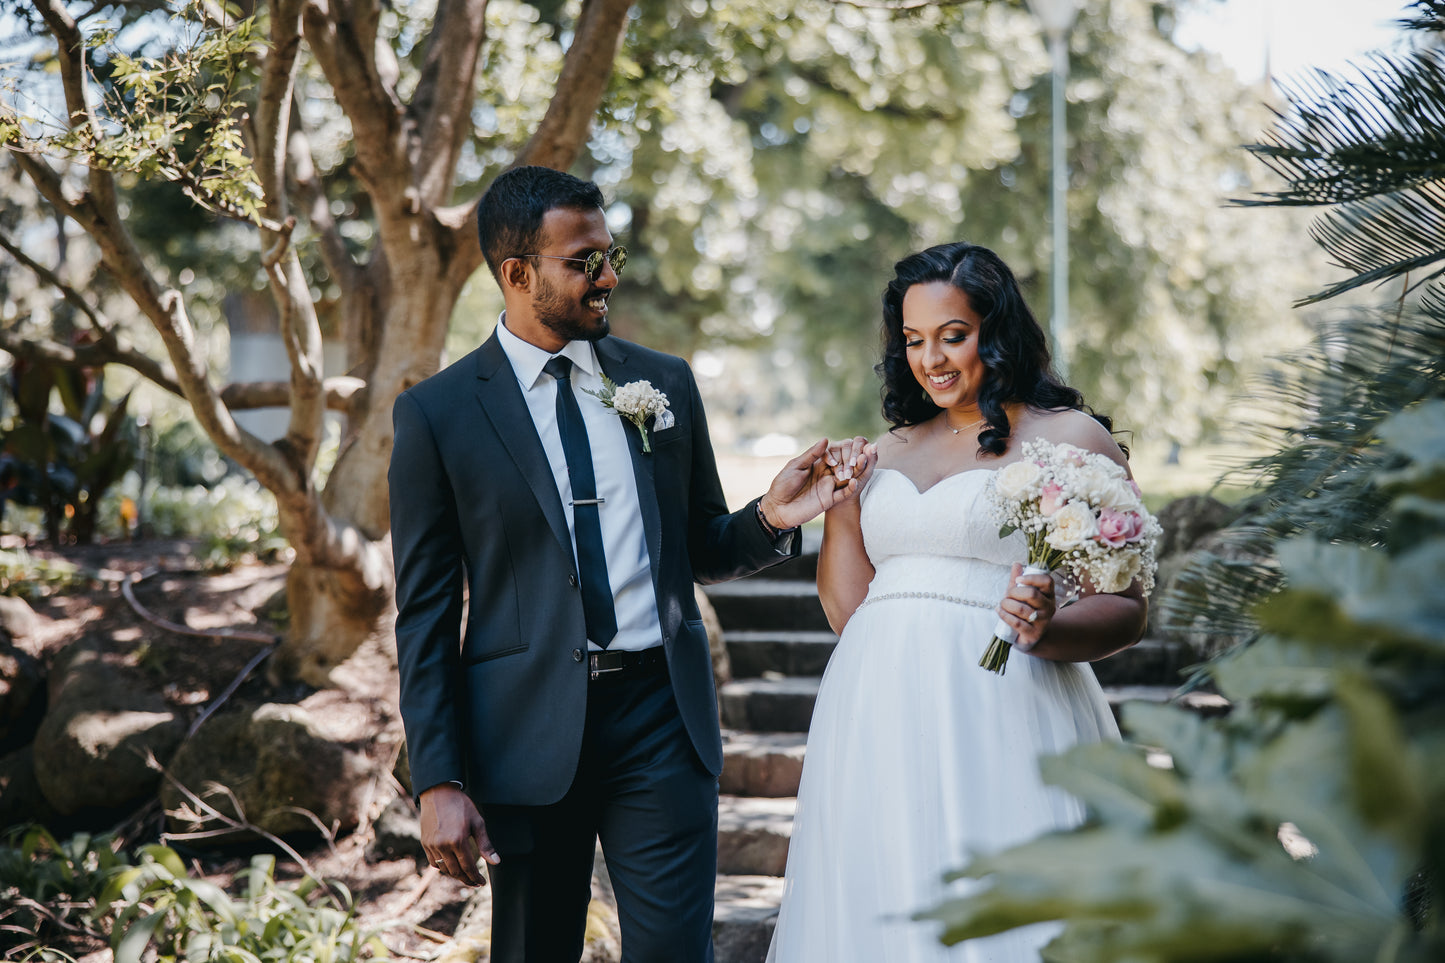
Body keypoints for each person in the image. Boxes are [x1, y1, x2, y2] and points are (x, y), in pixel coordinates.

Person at [388, 165, 864, 963]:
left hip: (661, 720)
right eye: (583, 262)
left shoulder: (661, 381)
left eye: (610, 254)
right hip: (524, 733)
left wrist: (776, 513)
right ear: (516, 274)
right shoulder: (436, 415)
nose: (607, 276)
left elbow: (703, 547)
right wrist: (439, 778)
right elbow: (426, 610)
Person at [766, 242, 1149, 962]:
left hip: (1004, 707)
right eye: (913, 340)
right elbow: (851, 614)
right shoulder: (885, 452)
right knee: (884, 906)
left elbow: (1128, 607)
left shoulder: (1069, 439)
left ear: (995, 330)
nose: (930, 359)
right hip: (873, 711)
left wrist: (1046, 629)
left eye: (952, 335)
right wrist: (840, 506)